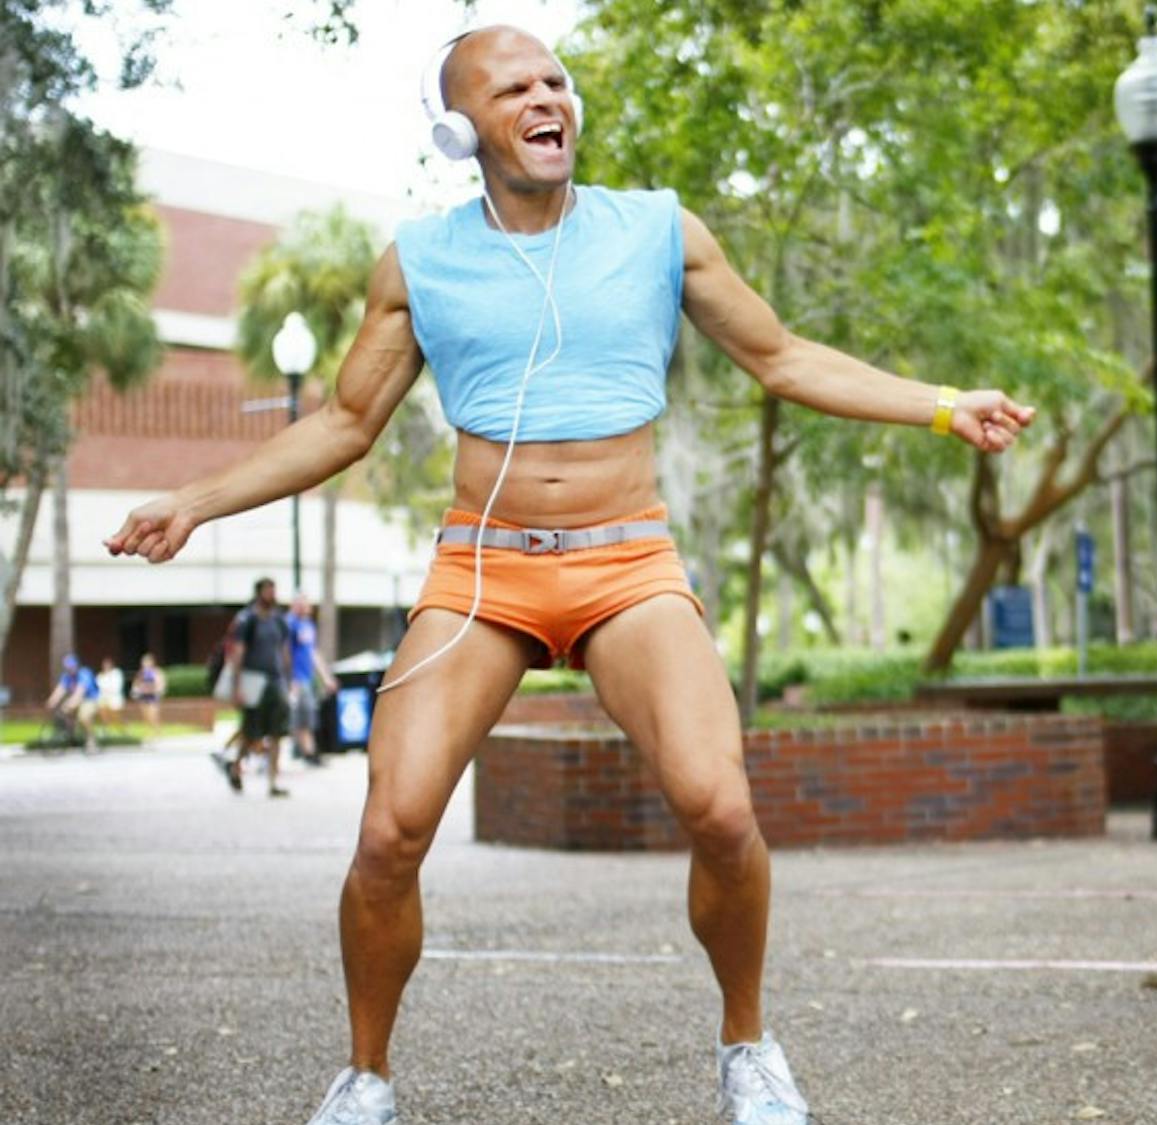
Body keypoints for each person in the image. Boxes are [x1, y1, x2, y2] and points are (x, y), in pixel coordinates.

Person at [105, 25, 1034, 1125]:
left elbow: (782, 358)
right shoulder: (421, 258)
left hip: (627, 566)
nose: (545, 100)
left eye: (554, 82)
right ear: (462, 129)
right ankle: (365, 1080)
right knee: (389, 831)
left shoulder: (656, 230)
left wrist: (941, 403)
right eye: (513, 90)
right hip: (480, 576)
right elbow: (347, 422)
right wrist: (194, 502)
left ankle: (747, 1048)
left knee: (720, 809)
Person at [222, 577, 293, 798]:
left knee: (277, 732)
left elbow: (283, 649)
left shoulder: (278, 620)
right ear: (259, 592)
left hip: (275, 682)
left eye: (274, 589)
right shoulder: (247, 619)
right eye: (268, 590)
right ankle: (235, 767)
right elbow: (238, 653)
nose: (272, 594)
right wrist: (237, 686)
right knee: (251, 733)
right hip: (253, 682)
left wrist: (288, 679)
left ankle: (272, 782)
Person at [288, 593, 338, 766]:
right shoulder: (289, 624)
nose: (306, 606)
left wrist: (326, 678)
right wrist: (289, 679)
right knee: (296, 718)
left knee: (306, 717)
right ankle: (307, 752)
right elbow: (283, 652)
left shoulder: (308, 625)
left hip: (306, 678)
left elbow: (313, 654)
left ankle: (309, 753)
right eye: (301, 603)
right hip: (295, 679)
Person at [45, 653, 99, 753]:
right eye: (68, 667)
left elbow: (80, 692)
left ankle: (91, 740)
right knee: (64, 713)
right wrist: (51, 701)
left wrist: (70, 703)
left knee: (84, 717)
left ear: (77, 665)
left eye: (72, 667)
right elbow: (60, 690)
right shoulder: (66, 677)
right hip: (76, 698)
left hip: (89, 699)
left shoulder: (84, 674)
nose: (70, 669)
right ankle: (71, 737)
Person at [131, 653, 165, 742]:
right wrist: (136, 691)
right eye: (144, 662)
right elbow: (136, 684)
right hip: (143, 696)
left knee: (153, 714)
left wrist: (158, 690)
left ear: (152, 662)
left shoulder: (156, 672)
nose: (146, 663)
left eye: (148, 661)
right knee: (145, 716)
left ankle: (157, 732)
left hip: (153, 696)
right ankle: (148, 732)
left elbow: (161, 683)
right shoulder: (141, 673)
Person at [96, 656, 126, 737]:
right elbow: (100, 687)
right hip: (104, 698)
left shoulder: (116, 673)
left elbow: (116, 687)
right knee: (103, 714)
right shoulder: (100, 675)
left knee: (116, 716)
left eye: (108, 665)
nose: (106, 666)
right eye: (105, 665)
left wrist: (108, 689)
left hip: (115, 698)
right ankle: (106, 730)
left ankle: (123, 731)